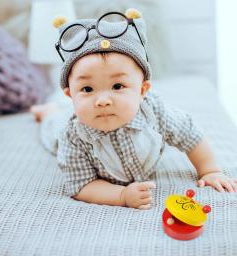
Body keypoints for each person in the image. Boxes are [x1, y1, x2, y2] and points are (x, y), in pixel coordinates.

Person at [31, 9, 237, 210]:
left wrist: (209, 170)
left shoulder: (155, 112)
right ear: (71, 95)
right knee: (53, 129)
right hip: (62, 131)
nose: (103, 100)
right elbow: (81, 185)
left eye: (118, 86)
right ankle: (48, 112)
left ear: (142, 90)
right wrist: (121, 195)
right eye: (87, 89)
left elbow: (191, 135)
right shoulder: (73, 136)